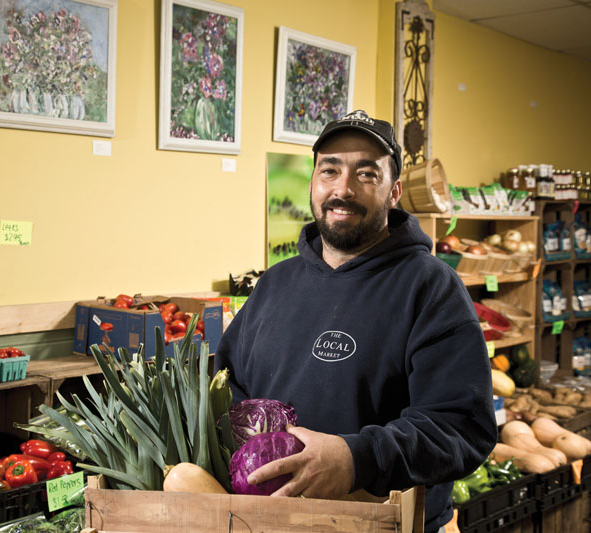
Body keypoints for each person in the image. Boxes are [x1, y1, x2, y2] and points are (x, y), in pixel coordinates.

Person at [213, 110, 497, 533]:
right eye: (330, 170)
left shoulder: (432, 287)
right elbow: (226, 386)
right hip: (270, 522)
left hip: (386, 526)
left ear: (394, 191)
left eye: (366, 174)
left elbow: (461, 426)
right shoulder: (274, 284)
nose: (342, 189)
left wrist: (356, 458)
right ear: (313, 183)